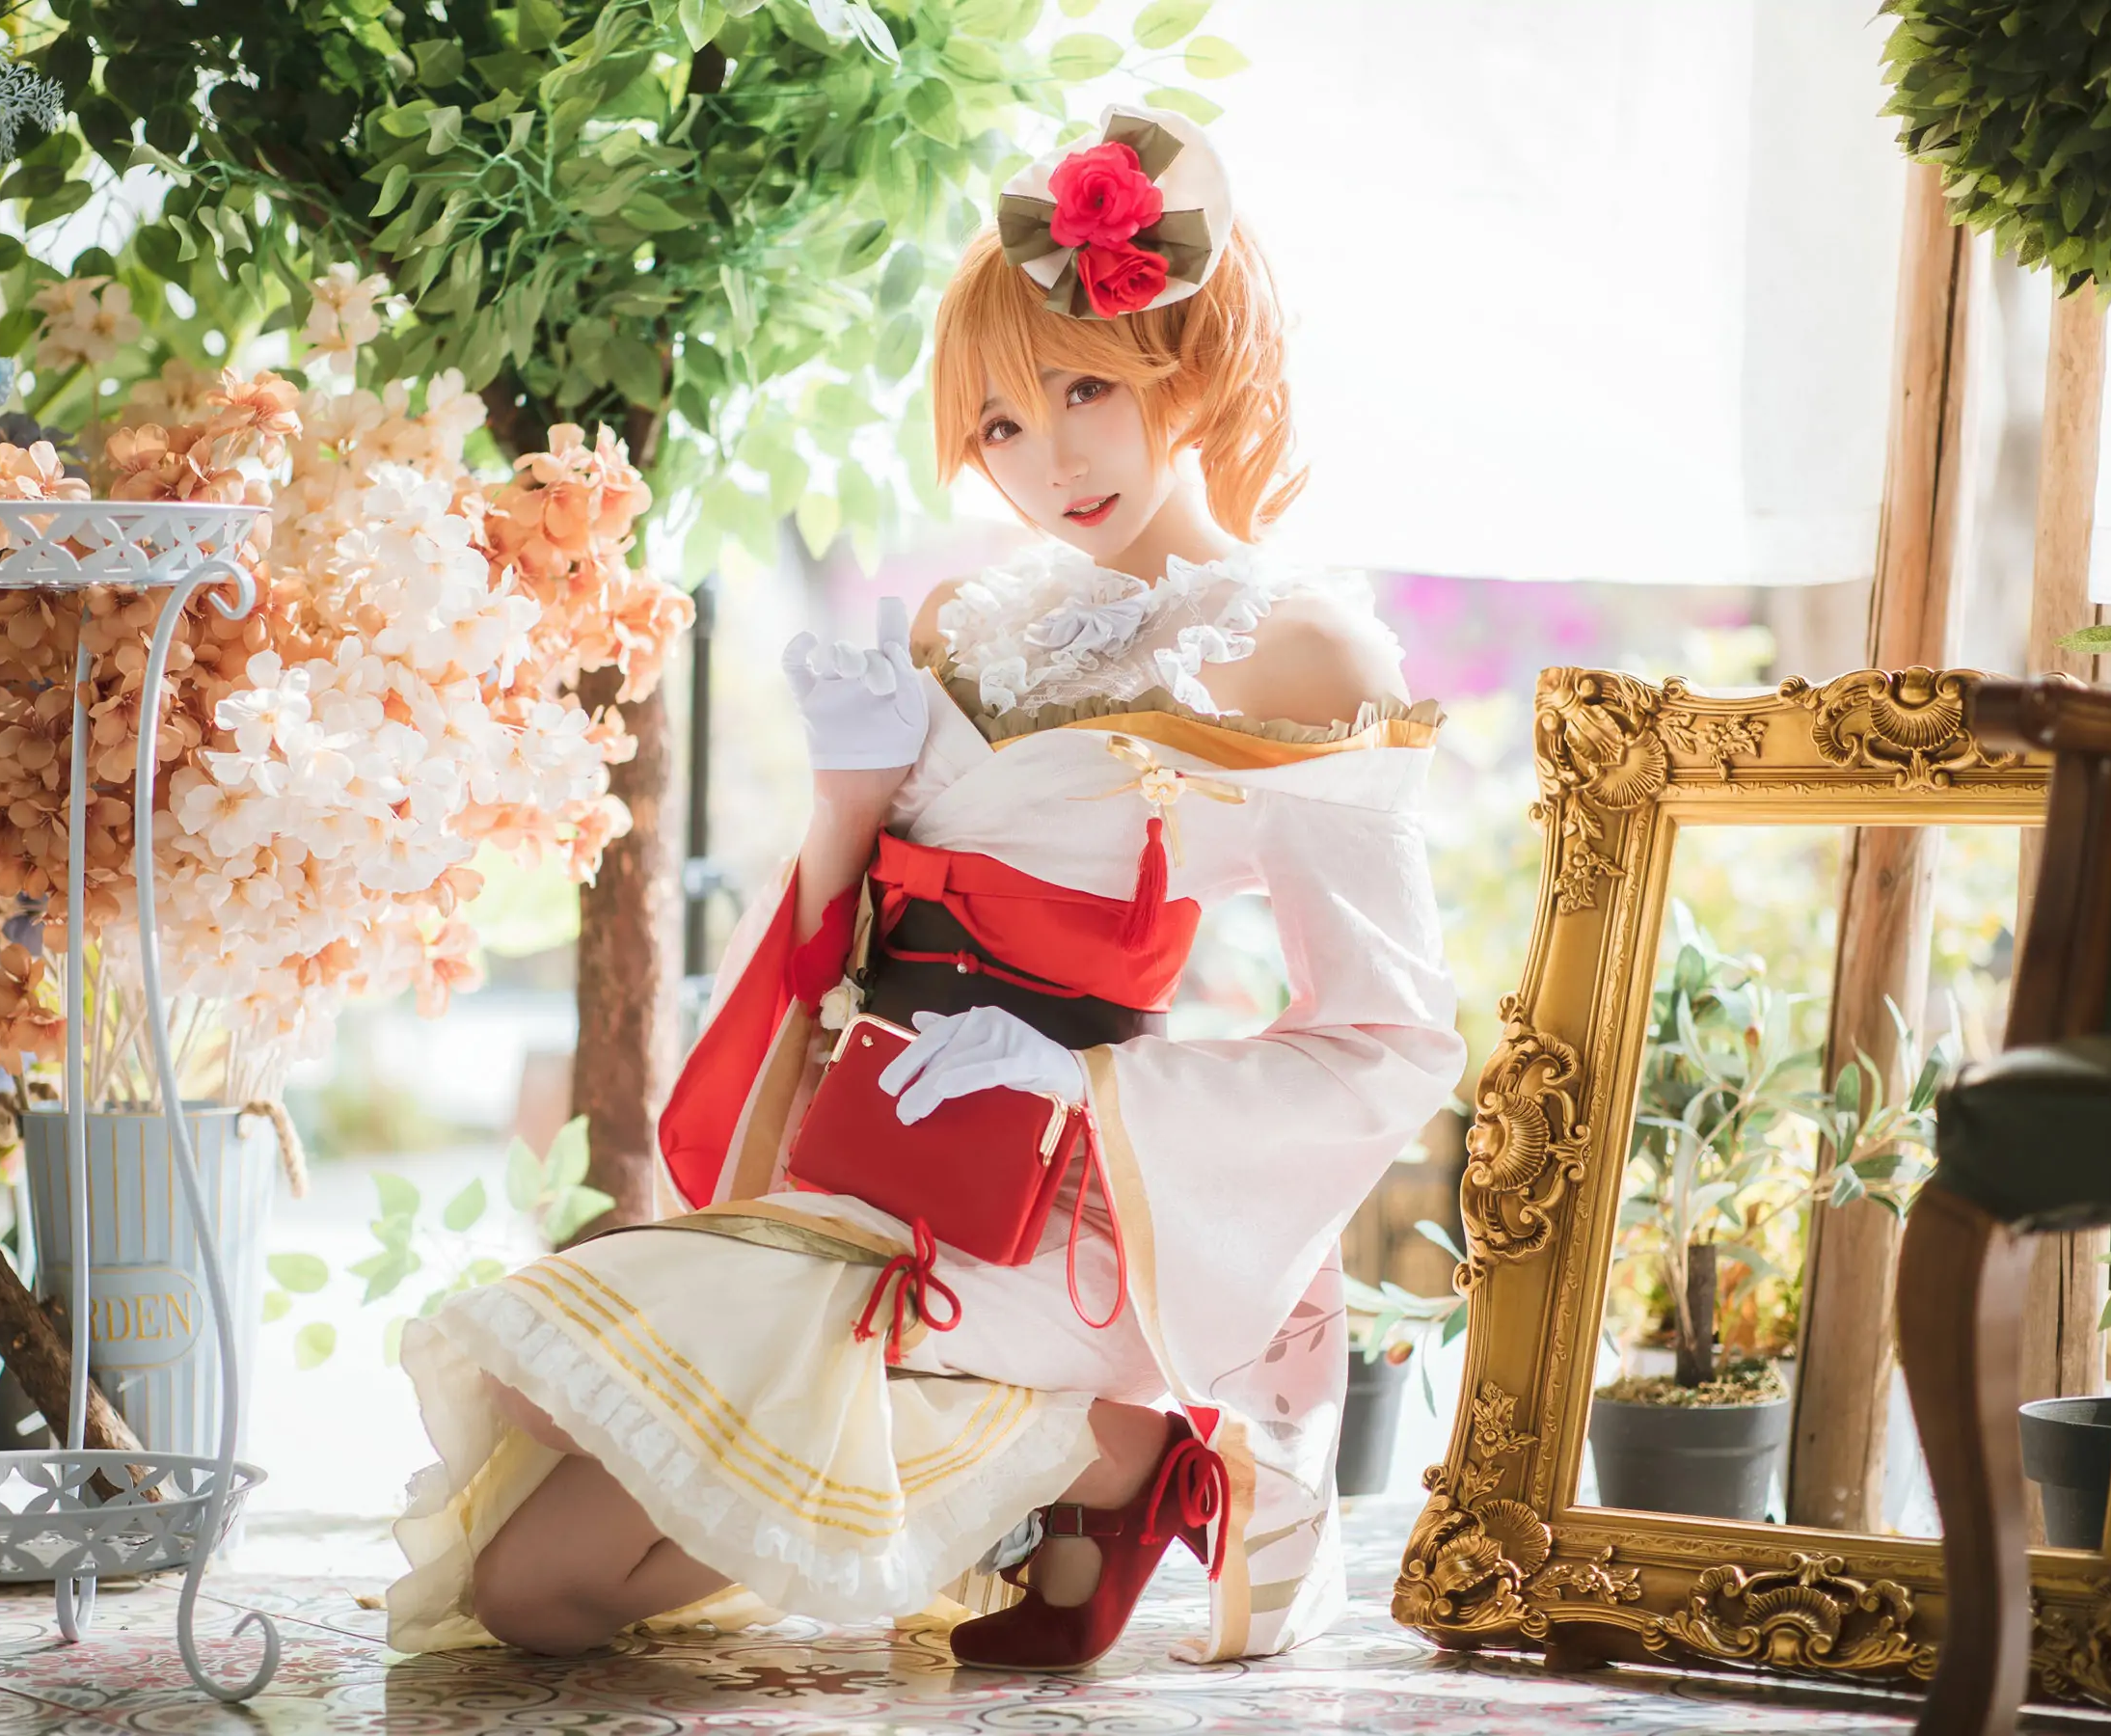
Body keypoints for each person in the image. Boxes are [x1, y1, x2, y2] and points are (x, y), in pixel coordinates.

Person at [386, 104, 1465, 1671]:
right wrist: (845, 799)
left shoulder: (1300, 653)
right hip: (867, 1155)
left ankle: (1141, 1449)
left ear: (1189, 357)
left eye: (1086, 388)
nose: (1050, 460)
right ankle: (1103, 1468)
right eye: (1003, 424)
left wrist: (1083, 1081)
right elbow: (848, 946)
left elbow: (1392, 1037)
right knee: (528, 1581)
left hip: (1055, 1210)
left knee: (552, 1566)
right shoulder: (972, 623)